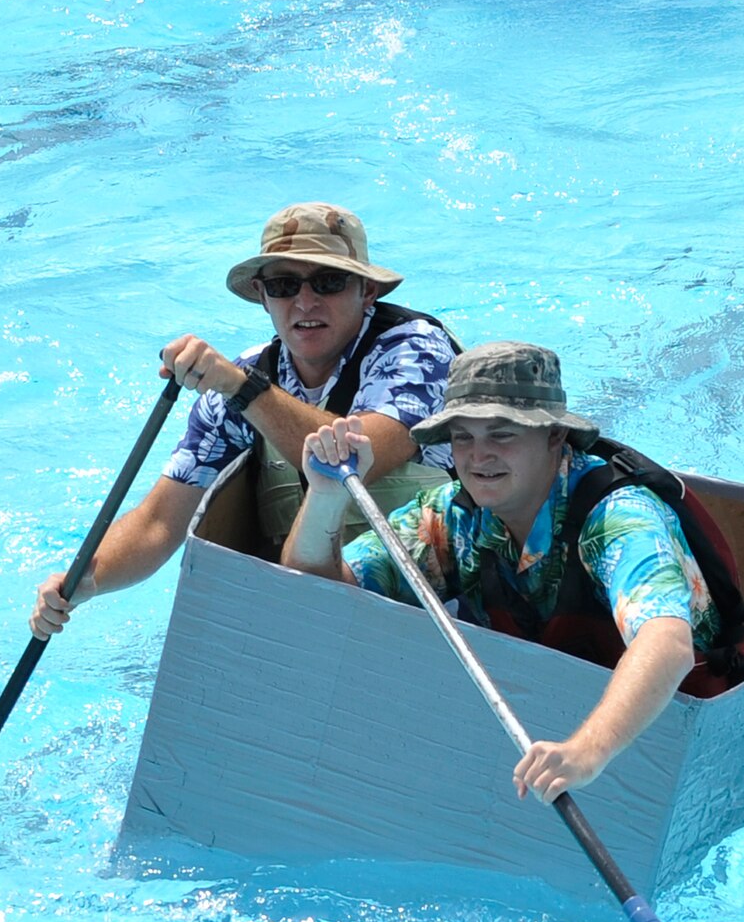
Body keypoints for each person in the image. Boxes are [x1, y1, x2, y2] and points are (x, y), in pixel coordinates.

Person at [281, 341, 744, 805]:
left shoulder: (617, 518)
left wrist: (585, 752)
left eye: (502, 434)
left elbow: (667, 644)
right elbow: (319, 594)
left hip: (667, 739)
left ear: (555, 436)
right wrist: (326, 495)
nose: (478, 456)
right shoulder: (455, 517)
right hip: (546, 731)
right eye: (463, 437)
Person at [30, 202, 458, 639]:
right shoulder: (244, 377)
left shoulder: (415, 348)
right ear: (262, 294)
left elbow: (359, 457)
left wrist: (242, 389)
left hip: (429, 606)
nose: (305, 302)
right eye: (283, 285)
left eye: (329, 282)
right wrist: (88, 578)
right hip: (310, 610)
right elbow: (161, 520)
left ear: (367, 291)